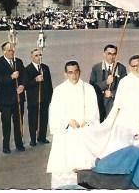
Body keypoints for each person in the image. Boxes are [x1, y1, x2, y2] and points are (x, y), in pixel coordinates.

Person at [47, 60, 100, 189]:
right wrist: (67, 121)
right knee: (66, 166)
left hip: (84, 132)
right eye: (70, 73)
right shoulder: (59, 90)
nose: (74, 75)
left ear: (79, 72)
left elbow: (94, 110)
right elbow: (55, 113)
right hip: (66, 134)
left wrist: (87, 120)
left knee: (84, 166)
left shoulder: (88, 88)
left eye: (76, 72)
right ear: (65, 74)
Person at [0, 42, 26, 154]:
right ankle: (6, 146)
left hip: (18, 98)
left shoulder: (19, 62)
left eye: (13, 50)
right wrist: (11, 77)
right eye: (9, 50)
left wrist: (22, 86)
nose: (12, 52)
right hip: (5, 100)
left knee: (18, 122)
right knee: (6, 123)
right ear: (4, 51)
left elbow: (24, 77)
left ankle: (19, 144)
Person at [89, 44, 127, 122]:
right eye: (109, 54)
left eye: (114, 54)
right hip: (100, 104)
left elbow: (125, 88)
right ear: (104, 54)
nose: (111, 57)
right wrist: (106, 82)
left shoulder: (121, 68)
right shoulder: (96, 68)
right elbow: (91, 88)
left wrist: (112, 93)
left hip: (114, 104)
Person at [25, 48, 53, 146]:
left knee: (44, 118)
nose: (38, 57)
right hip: (33, 100)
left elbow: (49, 84)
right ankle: (33, 139)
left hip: (44, 98)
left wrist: (50, 97)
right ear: (32, 57)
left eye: (40, 55)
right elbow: (26, 85)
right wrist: (35, 80)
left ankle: (42, 137)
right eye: (36, 55)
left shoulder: (45, 67)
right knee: (33, 119)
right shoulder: (27, 69)